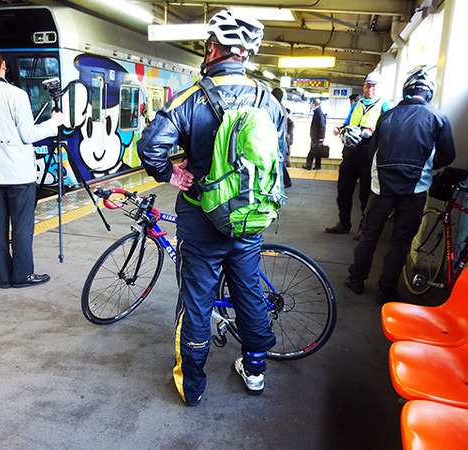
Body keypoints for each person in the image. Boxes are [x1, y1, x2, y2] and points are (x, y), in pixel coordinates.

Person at [137, 9, 286, 406]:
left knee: (196, 300)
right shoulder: (266, 100)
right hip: (249, 218)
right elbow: (279, 161)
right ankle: (255, 370)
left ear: (214, 48)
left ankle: (193, 385)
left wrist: (172, 175)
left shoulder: (191, 97)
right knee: (249, 292)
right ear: (246, 54)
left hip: (201, 218)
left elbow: (151, 148)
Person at [344, 69, 456, 304]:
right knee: (401, 241)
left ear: (406, 91)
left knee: (369, 234)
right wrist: (427, 166)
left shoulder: (387, 116)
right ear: (429, 94)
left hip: (382, 187)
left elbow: (374, 150)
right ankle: (386, 290)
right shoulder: (438, 117)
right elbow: (448, 155)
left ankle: (356, 279)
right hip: (414, 190)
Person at [0, 46, 64, 288]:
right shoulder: (16, 94)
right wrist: (54, 123)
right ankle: (23, 275)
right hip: (18, 173)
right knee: (21, 226)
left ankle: (3, 277)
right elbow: (28, 135)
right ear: (3, 65)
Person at [325, 72, 391, 237]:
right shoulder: (358, 104)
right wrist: (340, 130)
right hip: (350, 151)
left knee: (366, 193)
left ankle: (364, 227)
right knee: (343, 189)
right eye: (368, 85)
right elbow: (348, 123)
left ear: (379, 88)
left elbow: (390, 129)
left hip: (369, 152)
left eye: (373, 86)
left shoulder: (385, 105)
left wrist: (372, 132)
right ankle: (343, 223)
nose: (370, 89)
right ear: (364, 86)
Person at [271, 87, 293, 188]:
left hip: (278, 138)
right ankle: (285, 181)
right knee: (280, 162)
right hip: (282, 138)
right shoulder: (282, 107)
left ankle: (282, 183)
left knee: (279, 162)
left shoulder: (275, 107)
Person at [302, 98, 326, 170]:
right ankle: (316, 166)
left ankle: (310, 166)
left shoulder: (319, 114)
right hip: (315, 136)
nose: (311, 105)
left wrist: (321, 137)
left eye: (312, 103)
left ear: (314, 104)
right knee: (316, 151)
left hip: (317, 137)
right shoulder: (317, 113)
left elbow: (322, 126)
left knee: (314, 152)